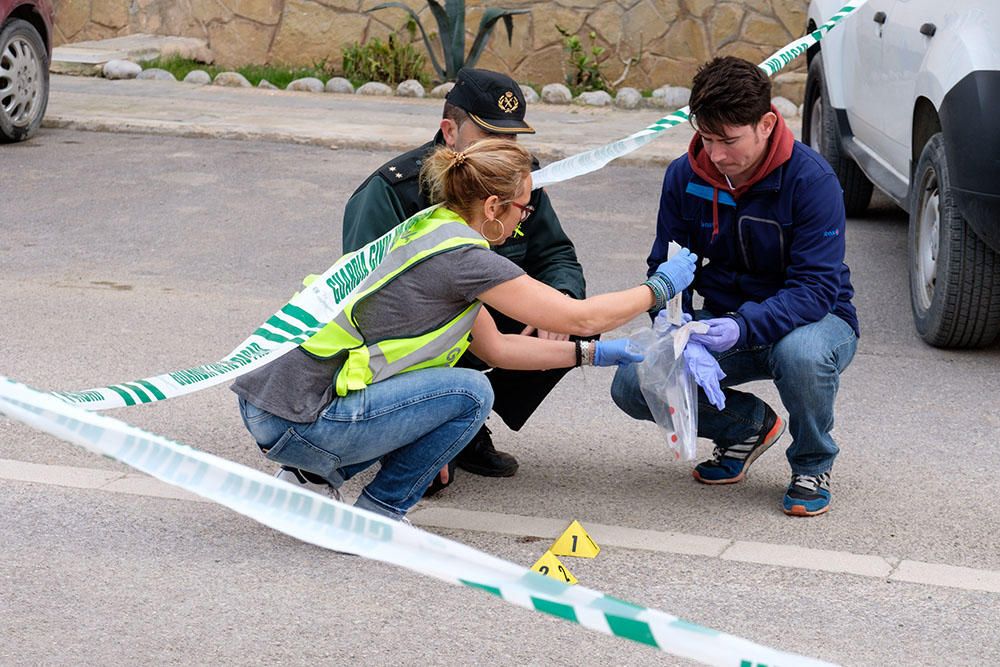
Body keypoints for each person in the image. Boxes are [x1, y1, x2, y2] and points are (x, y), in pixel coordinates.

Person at [233, 140, 698, 520]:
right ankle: (375, 519)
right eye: (523, 208)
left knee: (456, 383)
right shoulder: (465, 260)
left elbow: (497, 347)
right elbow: (580, 318)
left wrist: (592, 355)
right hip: (299, 420)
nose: (525, 219)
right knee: (471, 393)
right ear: (493, 206)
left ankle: (306, 480)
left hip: (272, 406)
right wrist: (659, 286)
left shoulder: (430, 230)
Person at [611, 56, 859, 517]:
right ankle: (747, 427)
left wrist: (743, 326)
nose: (717, 154)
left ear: (767, 124)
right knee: (632, 382)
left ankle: (811, 462)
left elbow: (816, 288)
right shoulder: (684, 176)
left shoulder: (812, 180)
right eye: (707, 138)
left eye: (729, 140)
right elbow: (662, 266)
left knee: (800, 355)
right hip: (722, 321)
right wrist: (671, 323)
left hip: (815, 321)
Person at [342, 67, 587, 487]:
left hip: (485, 323)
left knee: (571, 321)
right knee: (427, 482)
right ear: (449, 131)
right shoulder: (392, 191)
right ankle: (407, 427)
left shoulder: (518, 181)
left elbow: (556, 254)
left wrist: (559, 300)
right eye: (490, 135)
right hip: (418, 337)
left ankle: (468, 424)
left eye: (511, 138)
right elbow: (365, 303)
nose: (504, 148)